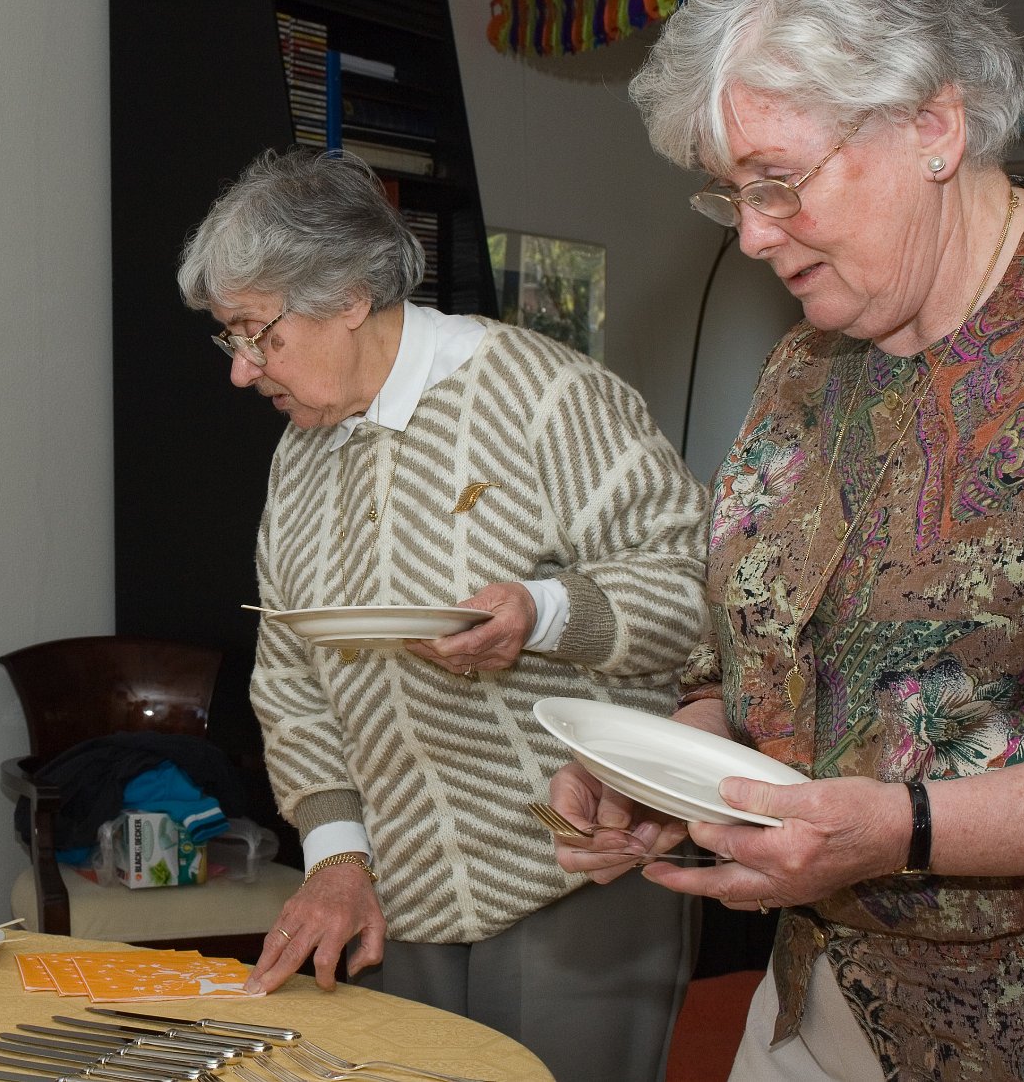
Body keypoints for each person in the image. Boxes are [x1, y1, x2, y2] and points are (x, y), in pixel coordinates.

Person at [545, 0, 1024, 1081]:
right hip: (808, 1005)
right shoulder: (806, 367)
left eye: (778, 181)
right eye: (731, 193)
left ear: (934, 125)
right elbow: (751, 661)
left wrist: (904, 831)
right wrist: (669, 770)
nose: (755, 237)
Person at [177, 147, 710, 1082]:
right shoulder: (299, 453)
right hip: (395, 890)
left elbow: (697, 596)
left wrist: (541, 612)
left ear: (349, 296)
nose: (243, 370)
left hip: (575, 865)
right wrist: (337, 855)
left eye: (259, 334)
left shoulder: (547, 396)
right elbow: (290, 681)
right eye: (231, 340)